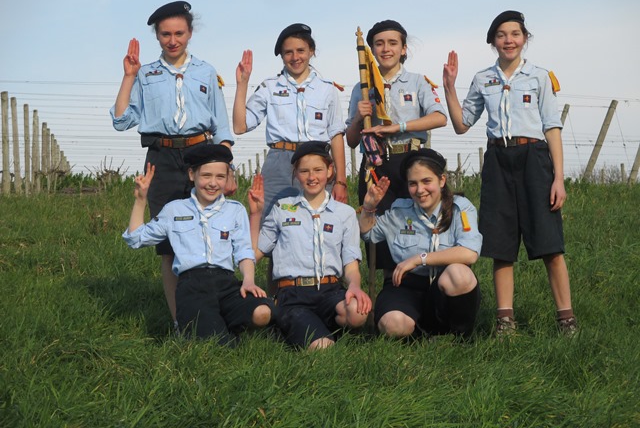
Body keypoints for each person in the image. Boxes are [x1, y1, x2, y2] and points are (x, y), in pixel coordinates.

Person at [442, 10, 577, 335]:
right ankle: (505, 320)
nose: (509, 40)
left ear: (525, 38)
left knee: (550, 245)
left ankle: (566, 319)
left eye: (515, 34)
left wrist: (558, 178)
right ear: (493, 41)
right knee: (500, 246)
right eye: (501, 35)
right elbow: (462, 124)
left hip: (534, 159)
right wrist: (449, 87)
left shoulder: (539, 77)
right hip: (498, 161)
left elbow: (552, 127)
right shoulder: (482, 79)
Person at [110, 1, 235, 328]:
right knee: (169, 245)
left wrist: (227, 168)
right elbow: (121, 120)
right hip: (161, 160)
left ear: (190, 33)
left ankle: (215, 311)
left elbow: (222, 126)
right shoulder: (146, 74)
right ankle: (181, 322)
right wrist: (128, 77)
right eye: (165, 34)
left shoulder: (206, 72)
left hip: (202, 156)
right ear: (157, 36)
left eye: (179, 33)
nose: (173, 40)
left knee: (209, 236)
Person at [122, 144, 272, 344]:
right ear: (192, 174)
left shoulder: (235, 210)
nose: (213, 183)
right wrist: (141, 200)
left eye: (220, 176)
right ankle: (212, 327)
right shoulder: (174, 209)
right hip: (192, 287)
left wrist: (248, 281)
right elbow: (135, 239)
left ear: (228, 178)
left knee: (262, 312)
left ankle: (223, 321)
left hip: (226, 284)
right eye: (206, 175)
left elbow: (244, 251)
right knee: (217, 343)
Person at [345, 20, 448, 276]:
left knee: (416, 226)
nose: (386, 49)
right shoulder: (362, 87)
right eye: (379, 44)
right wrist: (358, 118)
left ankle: (421, 281)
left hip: (410, 163)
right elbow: (351, 140)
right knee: (379, 233)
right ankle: (389, 288)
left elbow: (439, 117)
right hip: (376, 165)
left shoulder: (418, 82)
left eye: (393, 43)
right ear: (371, 51)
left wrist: (398, 127)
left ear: (403, 49)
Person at [248, 141, 371, 350]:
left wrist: (354, 287)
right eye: (304, 171)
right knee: (323, 347)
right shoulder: (282, 208)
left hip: (330, 290)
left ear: (330, 171)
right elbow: (255, 253)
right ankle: (294, 325)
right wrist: (256, 214)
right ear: (296, 173)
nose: (311, 177)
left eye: (318, 170)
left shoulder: (345, 213)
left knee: (357, 313)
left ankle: (313, 327)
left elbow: (351, 265)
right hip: (293, 294)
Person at [359, 148, 482, 339]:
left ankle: (460, 337)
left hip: (444, 287)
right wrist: (369, 207)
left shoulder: (460, 208)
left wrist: (420, 259)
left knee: (460, 274)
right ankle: (421, 337)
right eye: (413, 183)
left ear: (442, 180)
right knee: (392, 324)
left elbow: (469, 253)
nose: (420, 190)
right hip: (407, 286)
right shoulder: (400, 212)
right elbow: (368, 234)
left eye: (426, 181)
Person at [233, 22, 349, 219]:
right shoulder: (269, 87)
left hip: (317, 161)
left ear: (311, 51)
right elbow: (240, 126)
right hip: (280, 162)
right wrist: (242, 83)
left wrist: (341, 180)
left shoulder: (327, 89)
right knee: (271, 222)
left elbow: (336, 134)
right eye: (288, 52)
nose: (295, 57)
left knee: (321, 220)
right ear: (281, 56)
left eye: (301, 50)